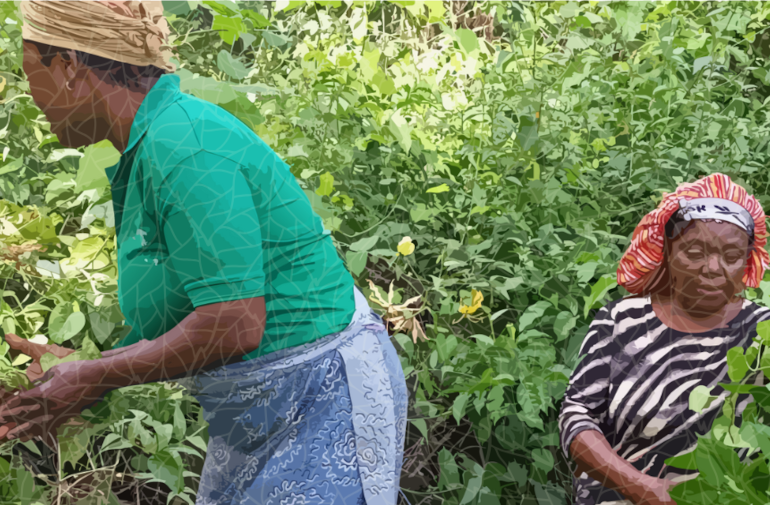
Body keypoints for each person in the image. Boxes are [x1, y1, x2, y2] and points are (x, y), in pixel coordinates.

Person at [0, 2, 408, 504]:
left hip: (319, 399)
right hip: (260, 412)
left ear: (68, 67)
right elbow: (198, 309)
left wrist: (96, 374)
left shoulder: (185, 144)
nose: (31, 95)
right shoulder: (152, 144)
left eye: (31, 73)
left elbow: (235, 322)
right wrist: (87, 366)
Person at [558, 173, 770, 505]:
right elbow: (577, 413)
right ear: (668, 252)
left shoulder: (762, 332)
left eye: (731, 257)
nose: (713, 268)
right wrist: (642, 488)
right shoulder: (621, 321)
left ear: (745, 261)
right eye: (695, 252)